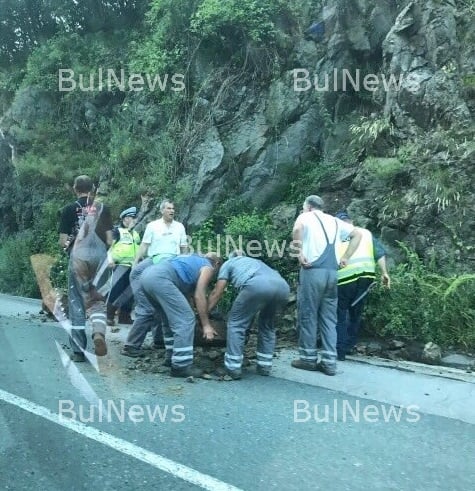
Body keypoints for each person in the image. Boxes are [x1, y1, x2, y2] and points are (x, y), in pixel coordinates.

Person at [291, 195, 362, 376]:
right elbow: (358, 234)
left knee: (308, 314)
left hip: (312, 271)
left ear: (308, 207)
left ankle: (307, 359)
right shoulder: (336, 222)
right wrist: (345, 257)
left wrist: (299, 254)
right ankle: (330, 362)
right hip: (332, 274)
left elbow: (297, 229)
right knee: (329, 318)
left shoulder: (305, 216)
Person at [207, 251, 290, 380]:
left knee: (236, 324)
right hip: (283, 287)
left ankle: (233, 368)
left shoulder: (228, 263)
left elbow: (217, 292)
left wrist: (204, 314)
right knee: (267, 325)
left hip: (258, 284)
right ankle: (264, 367)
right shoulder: (257, 262)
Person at [122, 199, 188, 356]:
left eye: (173, 208)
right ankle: (131, 346)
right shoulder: (153, 226)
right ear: (162, 210)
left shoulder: (179, 227)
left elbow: (183, 248)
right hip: (153, 262)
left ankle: (159, 341)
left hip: (171, 262)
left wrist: (184, 264)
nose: (172, 210)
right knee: (147, 308)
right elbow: (144, 246)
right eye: (168, 208)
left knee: (162, 303)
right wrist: (135, 262)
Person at [58, 175, 113, 362]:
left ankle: (79, 351)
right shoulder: (104, 209)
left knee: (76, 302)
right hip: (99, 258)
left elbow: (63, 242)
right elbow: (110, 240)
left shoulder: (68, 209)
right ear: (93, 188)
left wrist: (70, 246)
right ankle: (98, 333)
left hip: (78, 258)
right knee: (97, 300)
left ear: (75, 189)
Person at [139, 253, 221, 377]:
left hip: (146, 276)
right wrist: (206, 325)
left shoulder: (191, 259)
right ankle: (181, 365)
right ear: (217, 264)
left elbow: (188, 297)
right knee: (186, 319)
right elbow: (200, 296)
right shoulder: (208, 267)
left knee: (168, 319)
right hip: (161, 279)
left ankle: (170, 357)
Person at [334, 211, 391, 360]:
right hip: (366, 277)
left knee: (340, 314)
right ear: (351, 221)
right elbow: (379, 253)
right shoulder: (365, 233)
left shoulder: (335, 234)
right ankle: (349, 346)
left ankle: (339, 351)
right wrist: (384, 273)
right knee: (355, 313)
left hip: (345, 279)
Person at [106, 206, 141, 329]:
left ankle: (124, 317)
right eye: (131, 217)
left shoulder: (135, 234)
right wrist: (110, 261)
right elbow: (109, 248)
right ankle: (109, 316)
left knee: (130, 291)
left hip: (133, 266)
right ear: (125, 219)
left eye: (134, 218)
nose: (133, 220)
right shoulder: (117, 231)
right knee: (116, 290)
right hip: (119, 265)